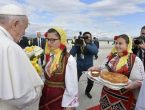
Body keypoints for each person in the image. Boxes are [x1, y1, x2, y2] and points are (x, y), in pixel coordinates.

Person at [0, 4, 44, 110]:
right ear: (15, 24)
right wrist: (39, 87)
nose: (24, 32)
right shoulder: (10, 47)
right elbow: (21, 97)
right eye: (24, 28)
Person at [88, 34, 144, 110]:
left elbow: (141, 80)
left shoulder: (134, 59)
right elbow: (102, 68)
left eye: (120, 43)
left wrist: (135, 84)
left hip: (123, 96)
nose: (117, 46)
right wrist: (95, 68)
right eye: (116, 43)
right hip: (107, 93)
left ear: (128, 45)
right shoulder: (112, 56)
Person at [39, 27, 79, 110]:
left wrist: (68, 106)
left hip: (59, 99)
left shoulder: (69, 59)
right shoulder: (47, 56)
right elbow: (43, 75)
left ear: (61, 40)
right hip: (45, 97)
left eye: (52, 40)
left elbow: (71, 86)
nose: (49, 43)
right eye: (48, 39)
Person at [70, 32, 98, 99]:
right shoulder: (79, 44)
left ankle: (87, 92)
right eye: (86, 37)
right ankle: (73, 93)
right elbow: (71, 54)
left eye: (89, 37)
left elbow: (95, 51)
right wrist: (77, 44)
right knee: (74, 81)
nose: (88, 38)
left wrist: (86, 46)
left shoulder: (92, 44)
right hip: (79, 67)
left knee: (91, 83)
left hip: (89, 67)